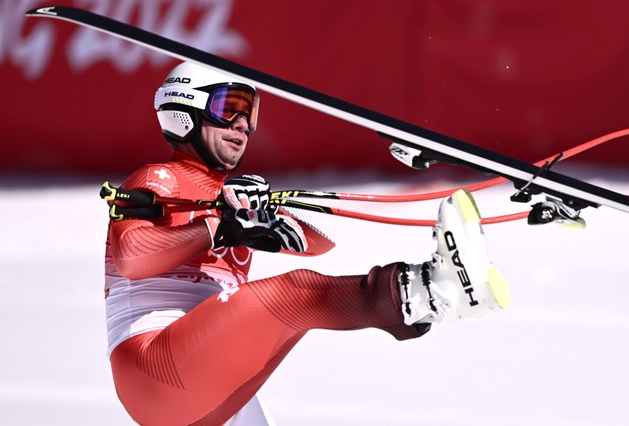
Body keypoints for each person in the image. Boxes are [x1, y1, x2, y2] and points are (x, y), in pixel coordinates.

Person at [104, 61, 512, 425]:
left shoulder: (228, 196)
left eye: (250, 114)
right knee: (293, 294)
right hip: (153, 365)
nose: (243, 126)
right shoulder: (159, 178)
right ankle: (425, 291)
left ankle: (424, 296)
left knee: (296, 301)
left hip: (200, 376)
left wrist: (266, 216)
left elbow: (322, 244)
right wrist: (222, 225)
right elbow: (131, 257)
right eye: (230, 109)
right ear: (185, 112)